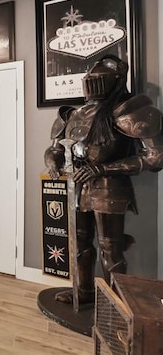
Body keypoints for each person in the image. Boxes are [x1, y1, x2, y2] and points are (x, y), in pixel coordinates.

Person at [44, 54, 163, 304]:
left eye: (98, 76)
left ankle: (114, 304)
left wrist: (103, 169)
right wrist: (53, 162)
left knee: (111, 249)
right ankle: (84, 292)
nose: (91, 80)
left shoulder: (129, 110)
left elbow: (155, 157)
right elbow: (55, 148)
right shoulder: (74, 114)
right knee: (80, 245)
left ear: (117, 79)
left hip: (110, 187)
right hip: (78, 185)